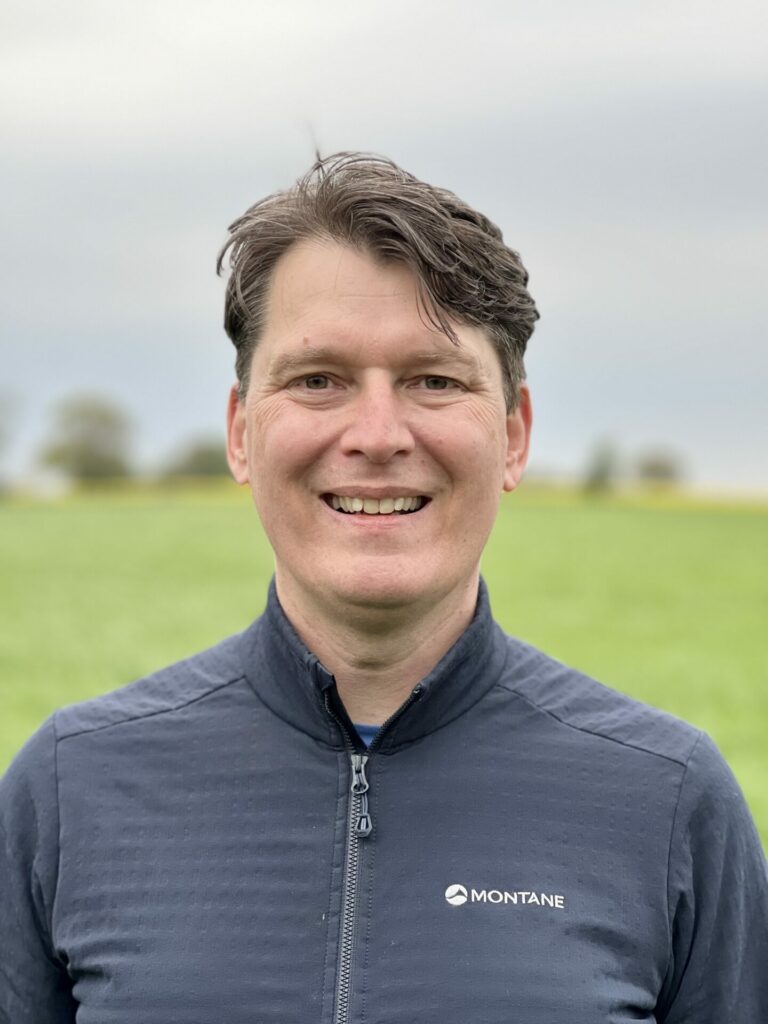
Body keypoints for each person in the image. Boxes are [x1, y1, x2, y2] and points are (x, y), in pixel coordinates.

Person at [1, 152, 766, 1024]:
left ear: (513, 435)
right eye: (318, 379)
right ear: (240, 433)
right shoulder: (69, 789)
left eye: (433, 380)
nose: (376, 434)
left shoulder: (667, 801)